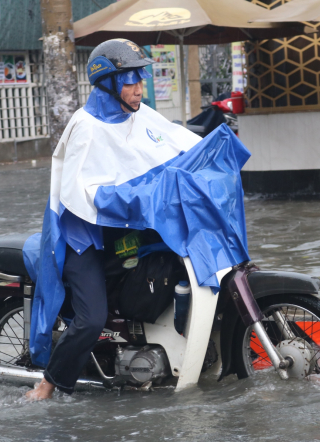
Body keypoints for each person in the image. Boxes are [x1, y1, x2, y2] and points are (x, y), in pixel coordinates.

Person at [25, 39, 199, 400]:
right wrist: (131, 197)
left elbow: (179, 145)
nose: (139, 89)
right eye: (130, 81)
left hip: (127, 231)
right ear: (108, 83)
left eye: (141, 80)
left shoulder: (140, 115)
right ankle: (49, 382)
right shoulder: (85, 126)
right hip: (83, 237)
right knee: (91, 319)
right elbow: (81, 193)